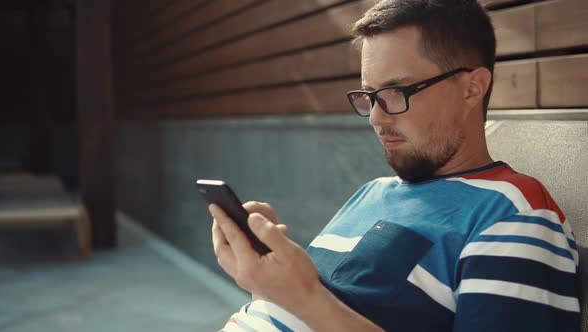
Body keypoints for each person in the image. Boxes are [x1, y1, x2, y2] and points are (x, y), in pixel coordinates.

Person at [208, 0, 580, 331]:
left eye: (394, 92)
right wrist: (261, 277)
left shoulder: (513, 214)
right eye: (368, 95)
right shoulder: (372, 192)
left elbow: (309, 306)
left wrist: (304, 295)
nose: (375, 118)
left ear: (472, 88)